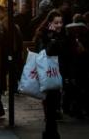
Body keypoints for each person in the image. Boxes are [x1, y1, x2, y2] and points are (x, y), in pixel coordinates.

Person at [33, 10, 65, 139]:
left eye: (61, 22)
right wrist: (52, 37)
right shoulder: (44, 35)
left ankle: (49, 133)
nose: (59, 25)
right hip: (47, 74)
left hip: (58, 74)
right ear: (49, 23)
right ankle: (51, 134)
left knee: (54, 106)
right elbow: (46, 52)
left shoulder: (61, 34)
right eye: (56, 22)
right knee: (50, 105)